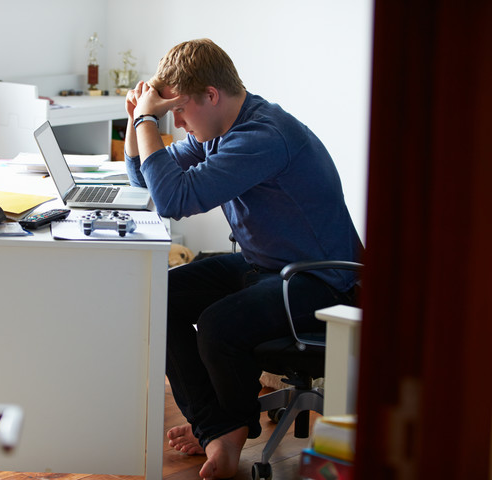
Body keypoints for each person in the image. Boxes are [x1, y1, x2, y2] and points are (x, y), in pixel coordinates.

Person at [123, 39, 363, 479]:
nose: (175, 123)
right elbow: (147, 181)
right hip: (269, 266)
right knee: (157, 296)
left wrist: (147, 121)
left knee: (218, 324)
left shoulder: (262, 136)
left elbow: (174, 199)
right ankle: (216, 427)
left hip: (321, 280)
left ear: (211, 95)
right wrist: (136, 121)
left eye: (179, 111)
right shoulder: (220, 129)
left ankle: (227, 435)